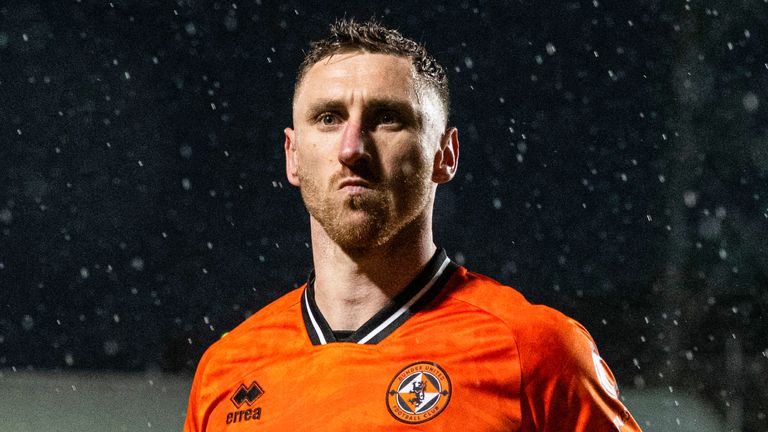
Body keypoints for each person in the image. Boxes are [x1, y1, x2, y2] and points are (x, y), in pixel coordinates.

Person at [184, 19, 642, 431]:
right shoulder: (226, 372)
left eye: (387, 119)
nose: (352, 147)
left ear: (445, 154)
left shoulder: (536, 351)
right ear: (293, 155)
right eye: (328, 118)